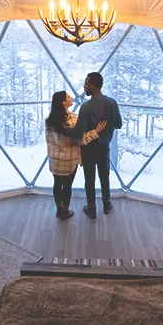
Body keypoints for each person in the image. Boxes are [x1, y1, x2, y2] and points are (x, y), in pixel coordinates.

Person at [64, 72, 122, 219]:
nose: (84, 86)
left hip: (89, 149)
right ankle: (107, 204)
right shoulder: (112, 102)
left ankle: (91, 208)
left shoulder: (86, 107)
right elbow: (118, 124)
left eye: (86, 83)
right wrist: (106, 127)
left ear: (93, 86)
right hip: (104, 147)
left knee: (89, 180)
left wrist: (64, 129)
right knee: (104, 176)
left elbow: (79, 132)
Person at [45, 91, 106, 220]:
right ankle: (65, 211)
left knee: (57, 184)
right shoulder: (72, 120)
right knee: (67, 186)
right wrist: (96, 131)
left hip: (55, 159)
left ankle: (59, 210)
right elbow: (80, 140)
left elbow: (49, 140)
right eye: (68, 97)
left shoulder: (49, 120)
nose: (71, 97)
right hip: (69, 159)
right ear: (63, 102)